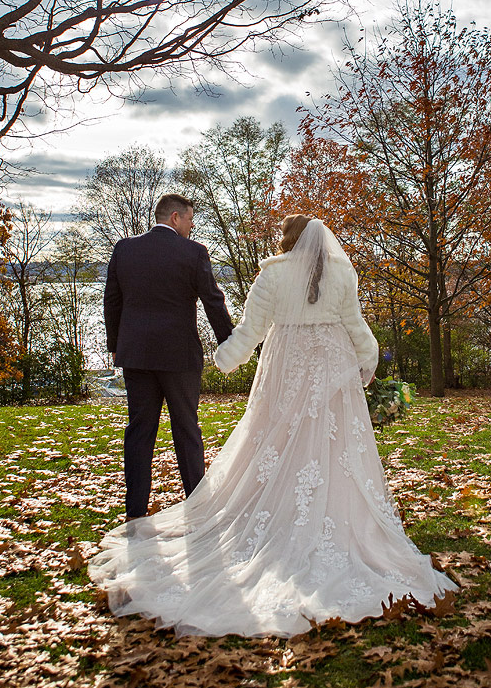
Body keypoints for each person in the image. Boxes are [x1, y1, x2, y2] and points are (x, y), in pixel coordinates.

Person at [89, 214, 457, 637]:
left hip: (288, 367)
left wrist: (224, 359)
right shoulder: (342, 271)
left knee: (278, 437)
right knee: (333, 448)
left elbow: (251, 330)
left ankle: (276, 520)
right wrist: (368, 361)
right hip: (332, 366)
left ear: (287, 241)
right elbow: (356, 326)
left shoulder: (272, 275)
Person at [103, 193, 234, 518]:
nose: (192, 226)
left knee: (139, 430)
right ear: (175, 217)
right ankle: (197, 506)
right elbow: (213, 302)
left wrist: (116, 345)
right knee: (187, 429)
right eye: (190, 219)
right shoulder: (193, 253)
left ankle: (134, 511)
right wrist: (229, 344)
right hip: (179, 356)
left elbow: (112, 300)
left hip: (137, 356)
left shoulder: (125, 249)